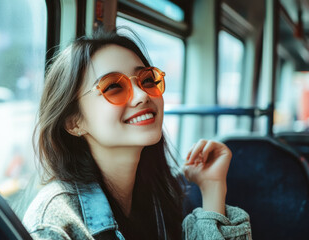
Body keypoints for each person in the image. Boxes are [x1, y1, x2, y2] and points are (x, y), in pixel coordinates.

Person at [22, 28, 252, 240]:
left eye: (148, 80)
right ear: (74, 123)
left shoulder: (160, 194)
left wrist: (212, 188)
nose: (142, 95)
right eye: (113, 86)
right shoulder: (55, 223)